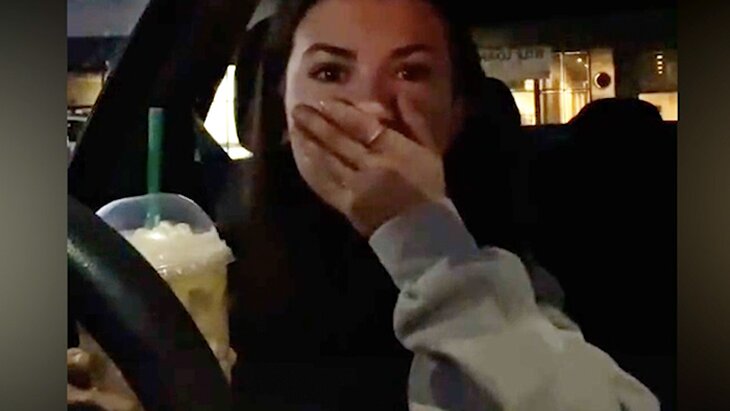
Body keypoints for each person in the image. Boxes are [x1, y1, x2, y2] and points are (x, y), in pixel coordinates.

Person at [69, 0, 661, 410]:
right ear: (281, 112)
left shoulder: (507, 282)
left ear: (455, 114)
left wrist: (425, 243)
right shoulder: (205, 265)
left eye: (412, 72)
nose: (373, 107)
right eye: (330, 72)